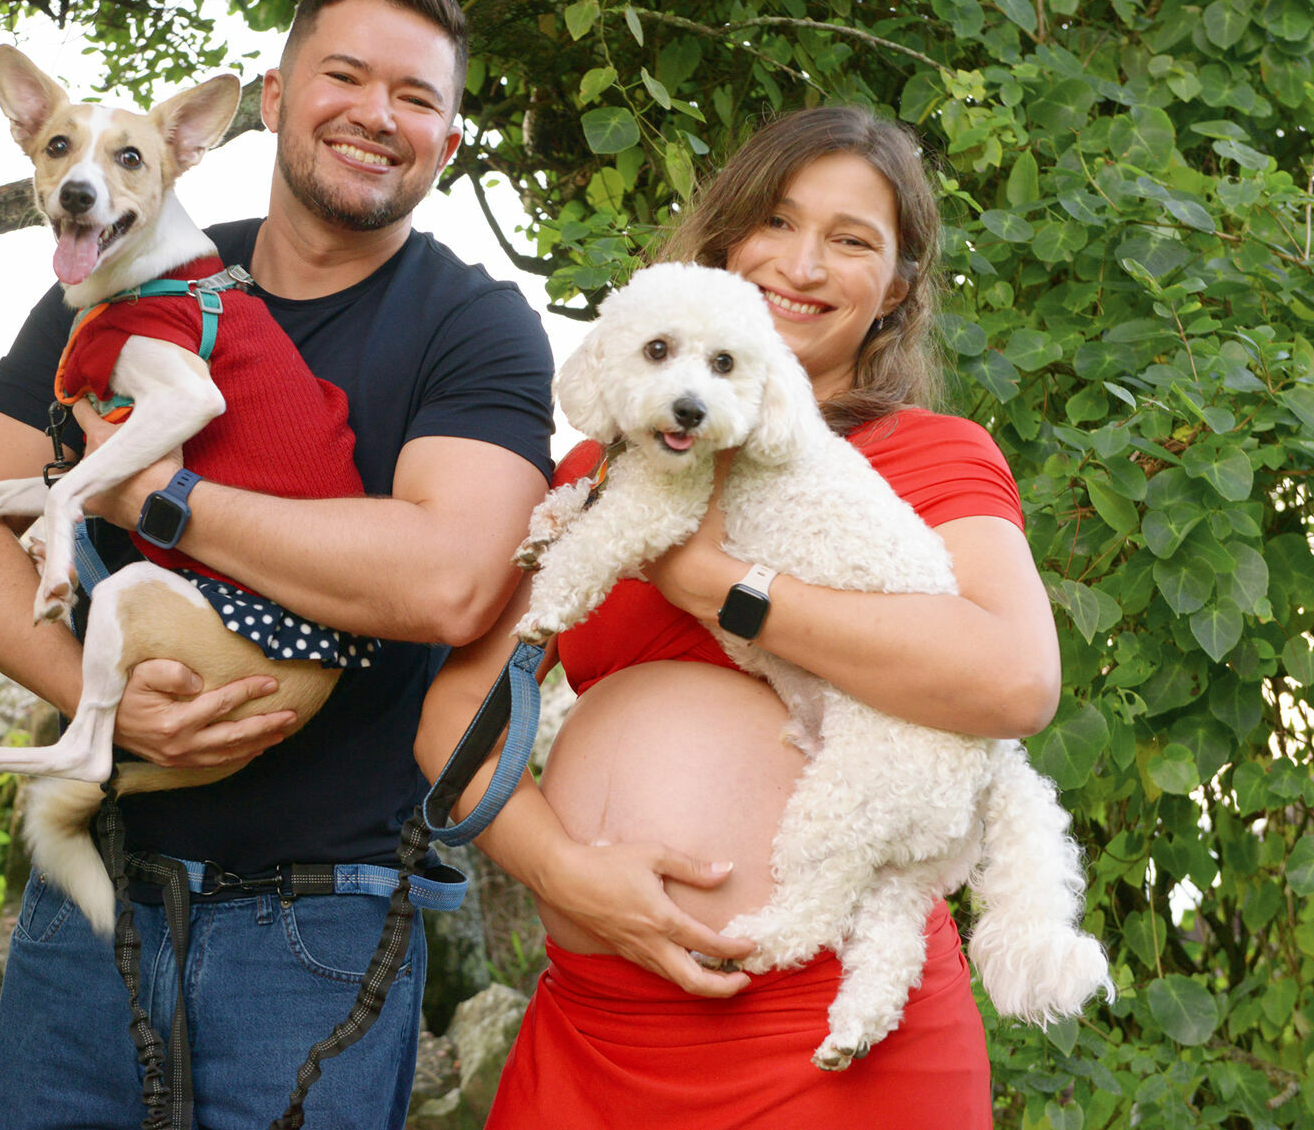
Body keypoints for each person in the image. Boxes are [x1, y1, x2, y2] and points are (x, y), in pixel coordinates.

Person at [0, 0, 554, 1130]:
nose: (376, 113)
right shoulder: (115, 273)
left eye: (416, 97)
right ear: (269, 99)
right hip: (94, 901)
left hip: (323, 920)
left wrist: (151, 495)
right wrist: (105, 703)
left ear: (449, 142)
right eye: (344, 76)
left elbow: (455, 584)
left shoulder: (475, 327)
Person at [415, 106, 1063, 1126]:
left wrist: (719, 585)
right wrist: (562, 873)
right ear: (725, 241)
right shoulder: (603, 471)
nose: (802, 265)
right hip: (597, 1035)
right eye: (776, 221)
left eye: (851, 241)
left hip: (832, 1049)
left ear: (894, 289)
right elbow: (455, 711)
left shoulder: (930, 457)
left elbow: (1013, 680)